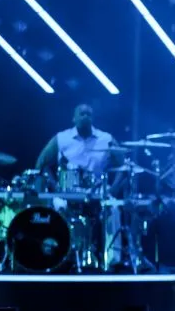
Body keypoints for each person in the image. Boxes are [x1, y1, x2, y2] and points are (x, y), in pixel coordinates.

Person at [36, 104, 124, 265]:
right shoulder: (61, 138)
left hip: (97, 191)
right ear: (74, 118)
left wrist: (114, 188)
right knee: (58, 205)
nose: (85, 116)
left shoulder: (106, 139)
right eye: (81, 114)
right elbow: (41, 164)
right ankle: (62, 254)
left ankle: (113, 259)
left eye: (88, 114)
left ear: (93, 118)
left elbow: (124, 166)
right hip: (67, 190)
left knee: (113, 208)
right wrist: (55, 186)